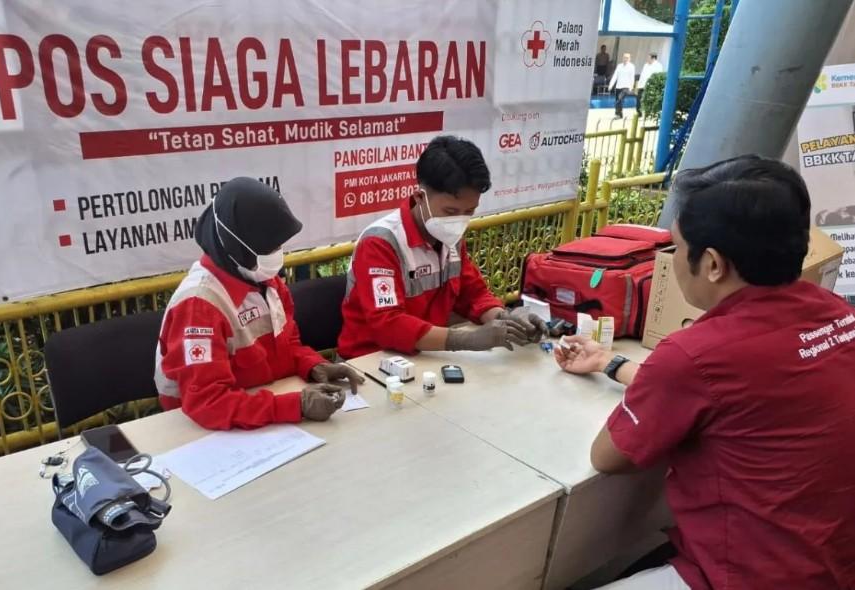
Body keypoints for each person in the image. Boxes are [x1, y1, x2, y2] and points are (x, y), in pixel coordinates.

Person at [555, 155, 855, 589]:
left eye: (676, 246)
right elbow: (743, 392)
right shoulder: (837, 315)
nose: (673, 259)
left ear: (713, 264)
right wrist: (610, 362)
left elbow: (608, 456)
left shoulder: (697, 354)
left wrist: (657, 376)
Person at [155, 177, 364, 430]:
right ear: (237, 245)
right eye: (270, 247)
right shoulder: (199, 306)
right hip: (204, 434)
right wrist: (295, 406)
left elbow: (288, 345)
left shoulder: (263, 279)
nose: (277, 253)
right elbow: (208, 403)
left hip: (262, 410)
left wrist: (314, 365)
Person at [337, 135, 548, 359]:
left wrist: (506, 319)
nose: (459, 221)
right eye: (450, 212)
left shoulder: (450, 236)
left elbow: (474, 295)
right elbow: (388, 324)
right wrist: (467, 340)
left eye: (469, 211)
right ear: (420, 197)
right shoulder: (381, 243)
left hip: (426, 356)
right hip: (369, 362)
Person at [608, 53, 635, 119]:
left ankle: (618, 114)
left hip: (626, 86)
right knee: (617, 100)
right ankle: (619, 114)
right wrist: (611, 85)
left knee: (619, 99)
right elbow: (615, 76)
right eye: (624, 57)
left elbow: (632, 77)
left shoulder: (631, 66)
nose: (625, 59)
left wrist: (631, 87)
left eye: (627, 58)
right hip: (618, 86)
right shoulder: (619, 66)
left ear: (629, 59)